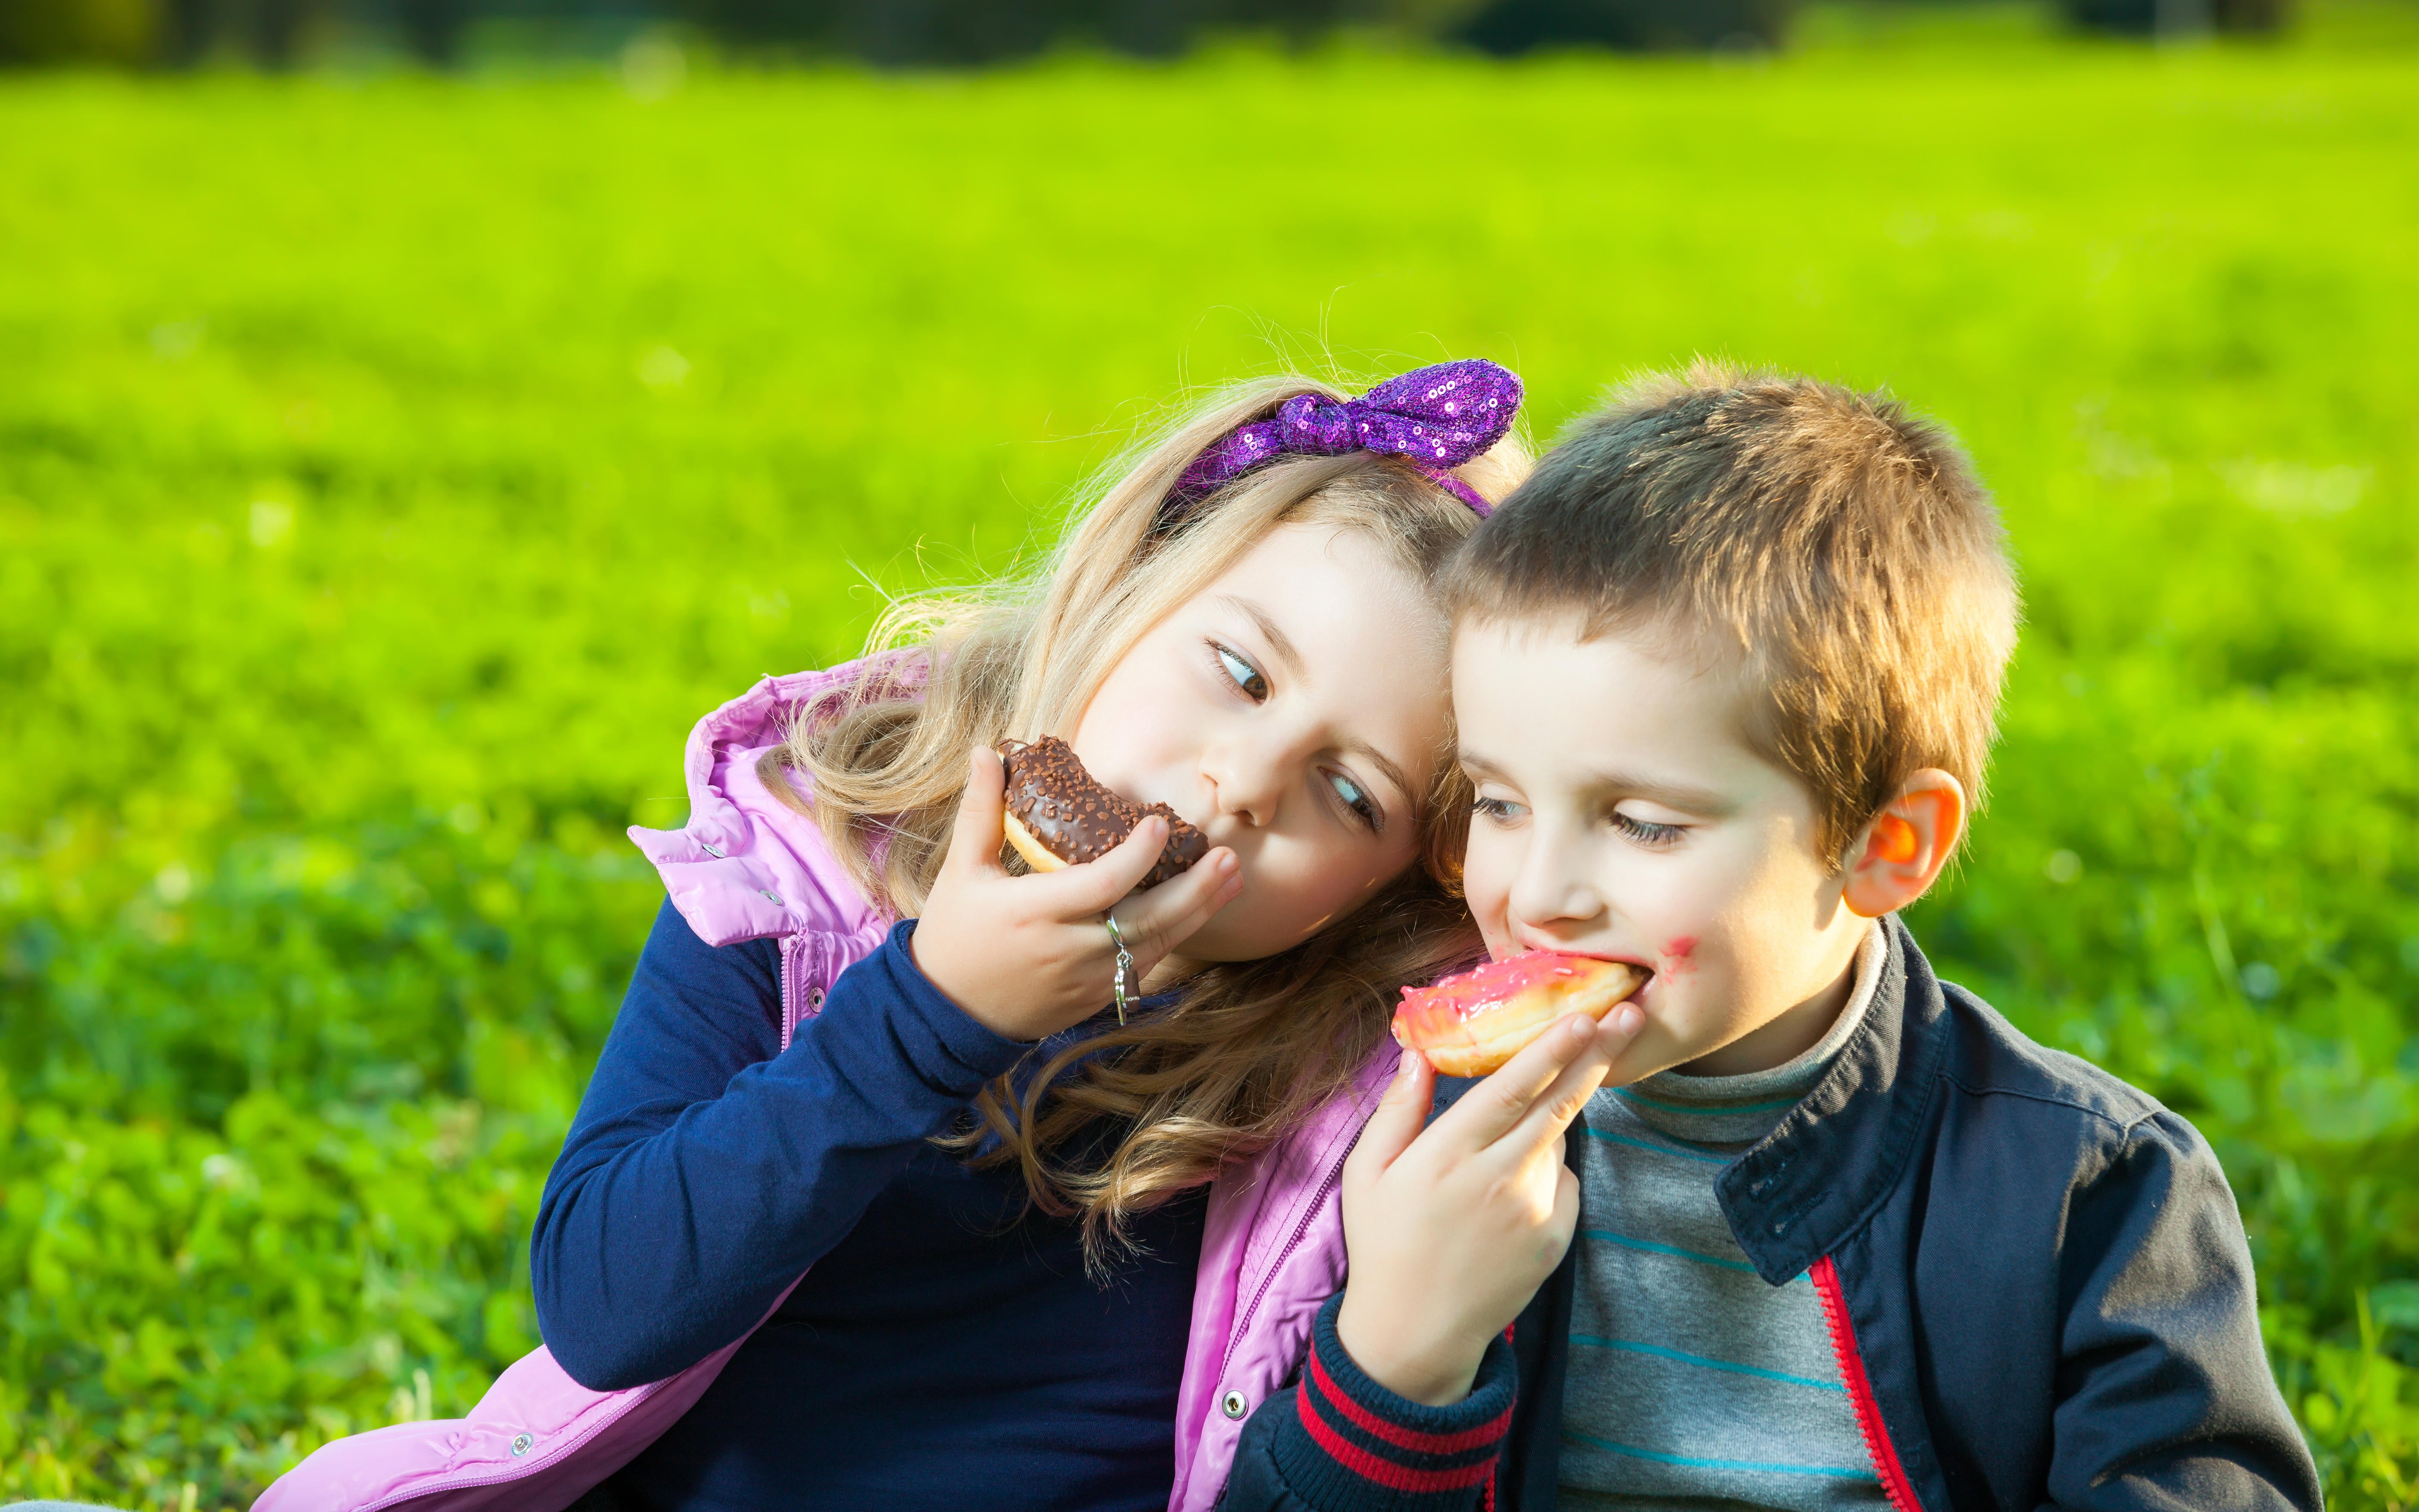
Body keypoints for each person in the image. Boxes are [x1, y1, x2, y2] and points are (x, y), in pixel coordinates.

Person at [252, 359, 1531, 1512]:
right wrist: (928, 1015)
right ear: (1136, 583)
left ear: (1387, 892)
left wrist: (1407, 1360)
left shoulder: (1371, 1105)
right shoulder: (805, 872)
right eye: (1241, 673)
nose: (1244, 783)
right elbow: (602, 1309)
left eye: (1349, 794)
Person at [1225, 364, 2323, 1510]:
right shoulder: (1404, 1154)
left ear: (1886, 844)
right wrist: (1398, 1356)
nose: (1538, 893)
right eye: (1499, 803)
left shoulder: (2090, 1202)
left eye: (1644, 824)